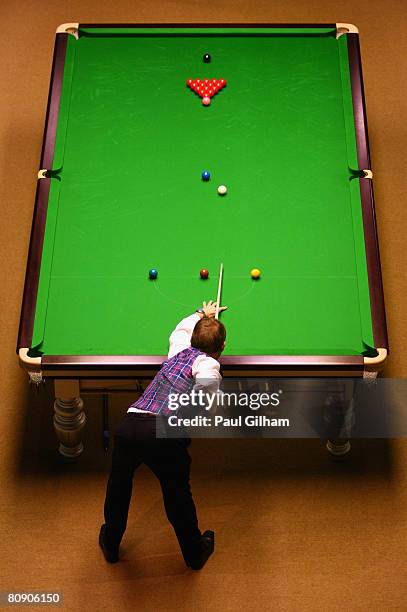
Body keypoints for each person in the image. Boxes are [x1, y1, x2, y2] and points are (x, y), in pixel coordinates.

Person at [99, 300, 227, 569]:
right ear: (222, 350)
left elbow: (179, 331)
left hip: (131, 424)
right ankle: (194, 554)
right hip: (163, 433)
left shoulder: (179, 349)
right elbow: (207, 392)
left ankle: (110, 543)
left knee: (118, 486)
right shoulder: (208, 364)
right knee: (177, 494)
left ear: (192, 339)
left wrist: (200, 315)